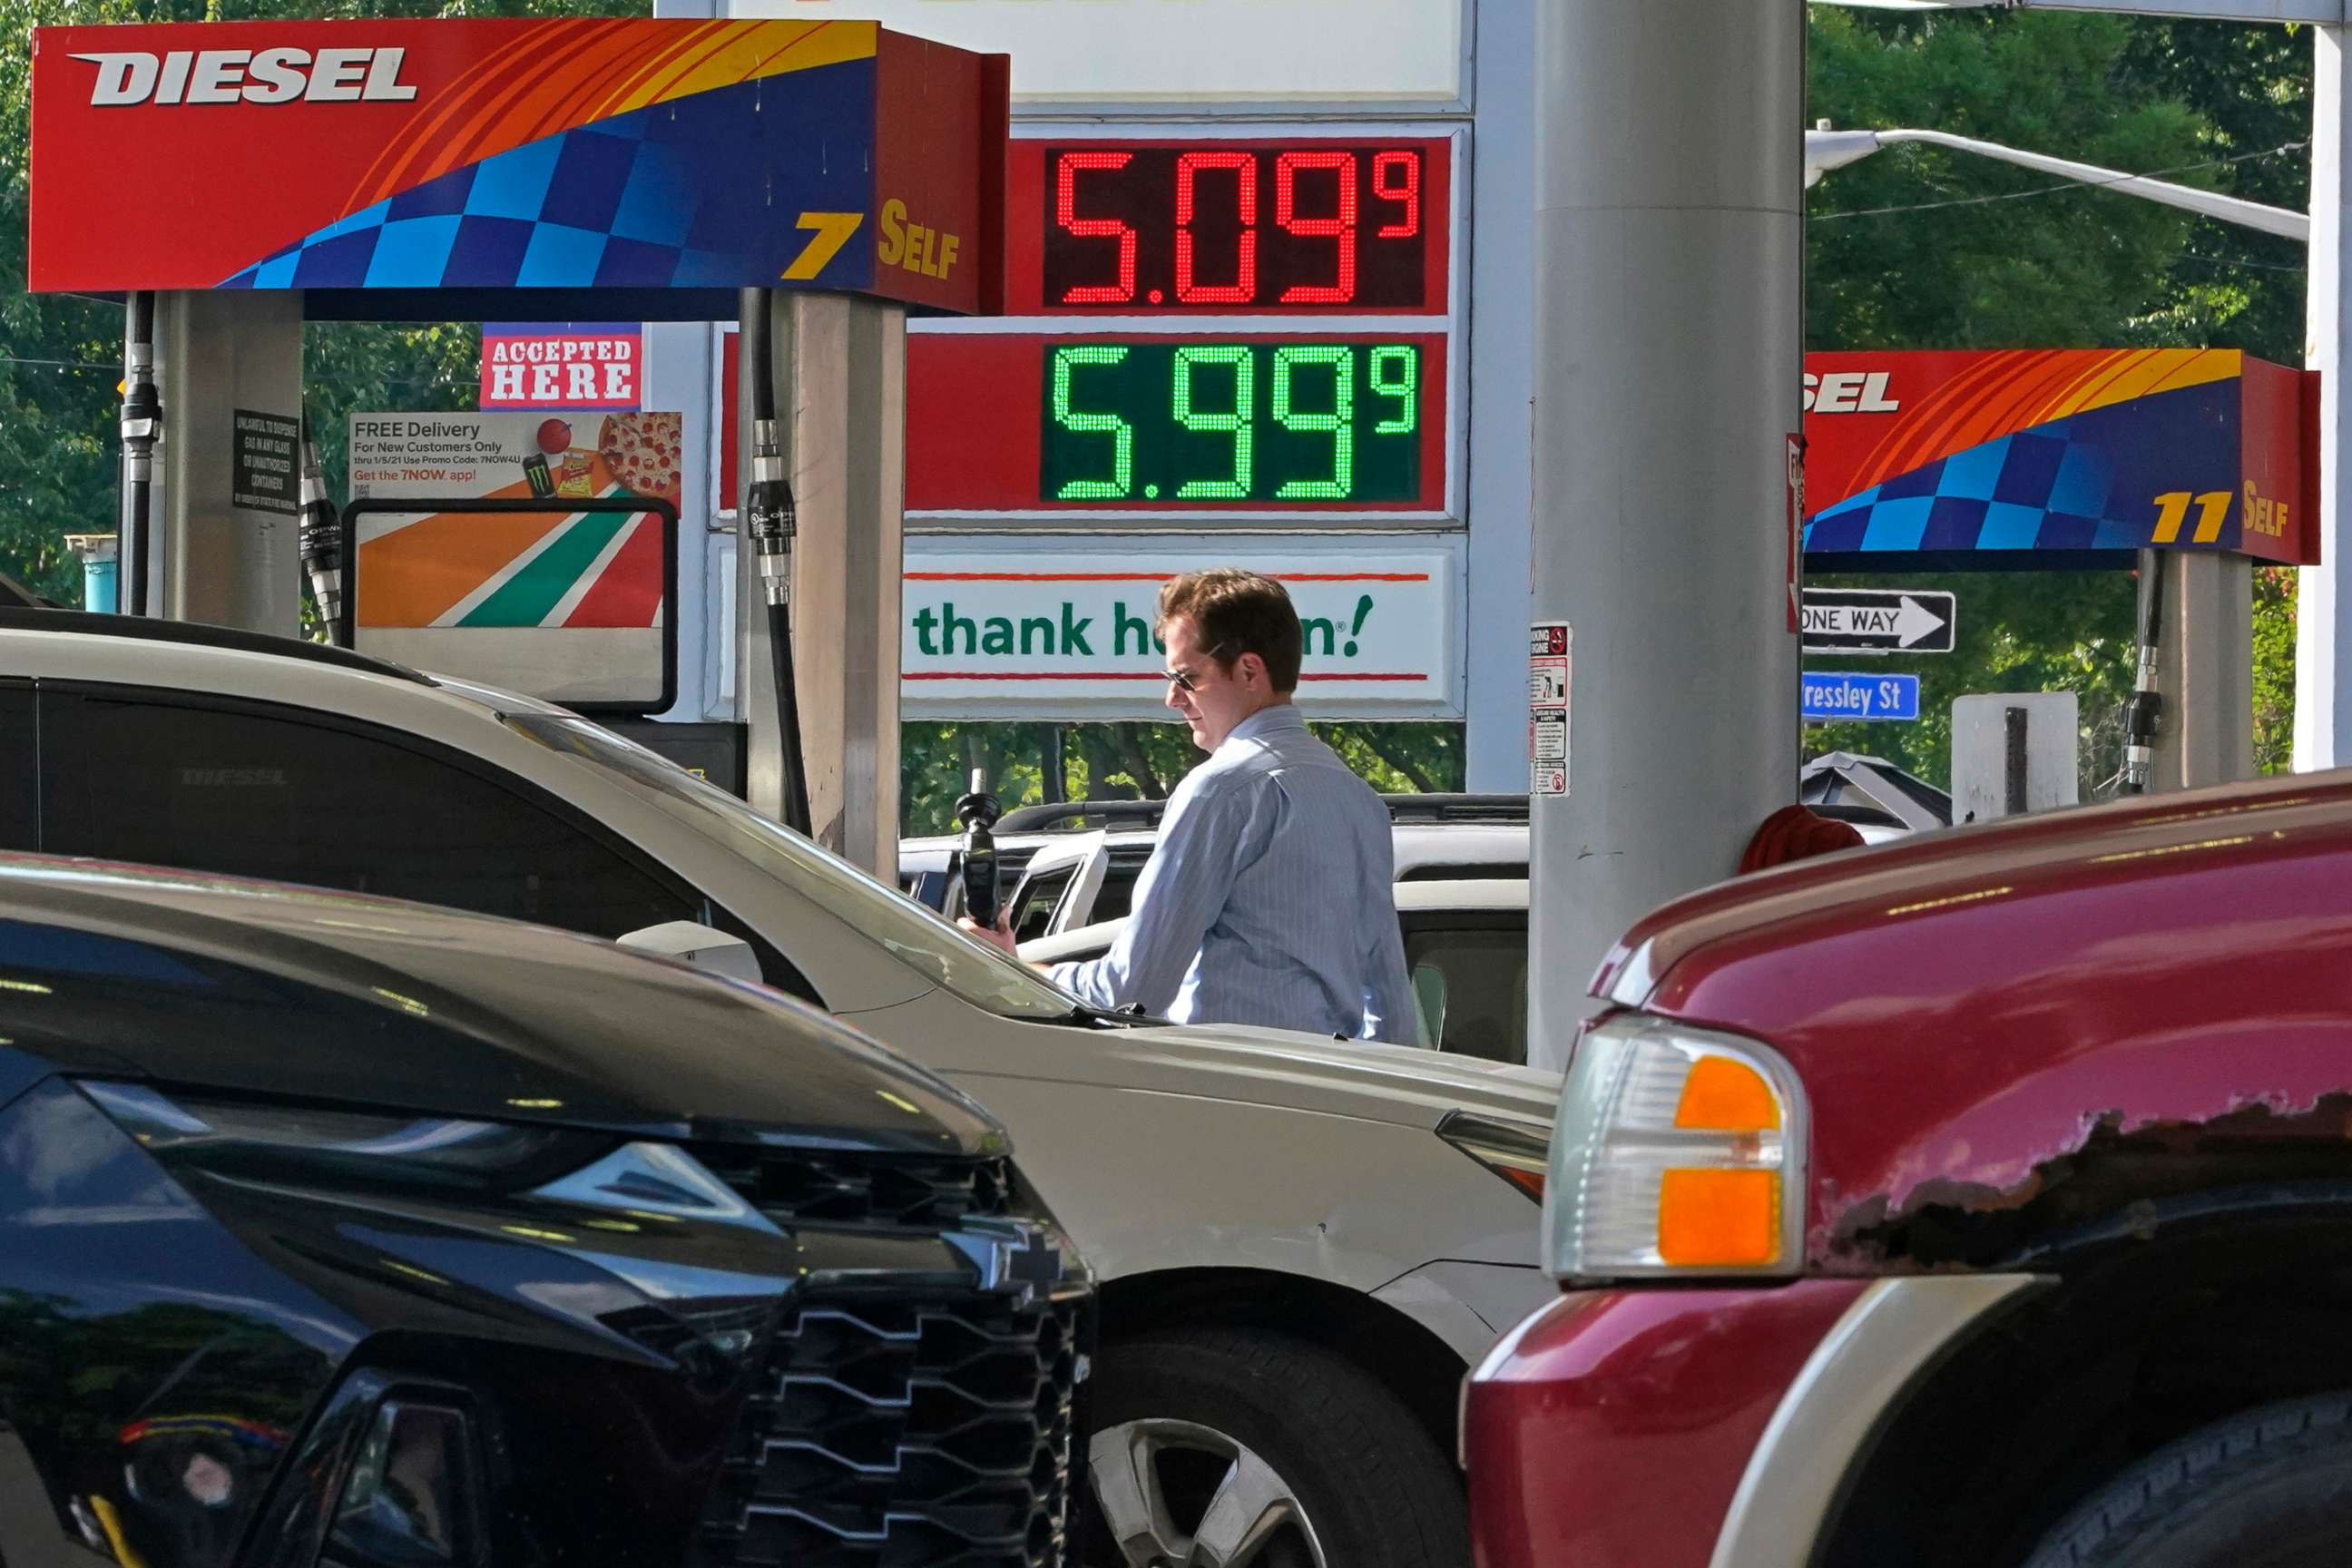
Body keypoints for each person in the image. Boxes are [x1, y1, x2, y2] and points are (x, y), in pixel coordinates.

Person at [966, 569, 1416, 1044]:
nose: (1172, 698)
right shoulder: (1358, 799)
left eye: (1186, 677)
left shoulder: (1221, 791)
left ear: (1248, 671)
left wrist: (1014, 971)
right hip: (1332, 1095)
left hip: (1225, 1093)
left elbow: (1133, 991)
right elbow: (1390, 1008)